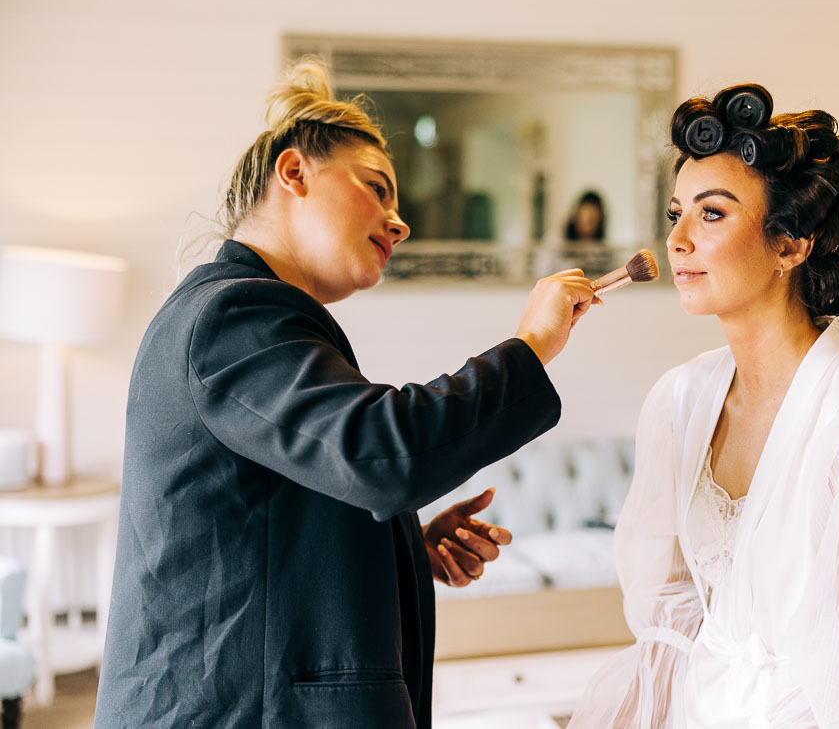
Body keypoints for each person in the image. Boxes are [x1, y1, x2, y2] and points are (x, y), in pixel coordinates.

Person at [94, 57, 594, 728]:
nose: (399, 221)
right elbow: (380, 451)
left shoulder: (253, 319)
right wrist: (531, 346)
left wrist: (403, 549)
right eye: (377, 188)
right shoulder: (232, 319)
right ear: (294, 172)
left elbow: (271, 524)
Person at [568, 84, 839, 728]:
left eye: (713, 214)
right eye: (677, 215)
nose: (678, 241)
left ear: (790, 244)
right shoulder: (680, 400)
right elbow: (668, 626)